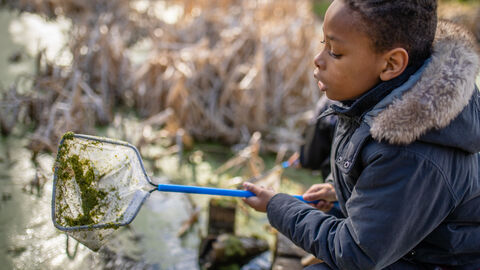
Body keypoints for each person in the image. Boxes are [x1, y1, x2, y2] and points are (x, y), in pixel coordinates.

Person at [242, 0, 480, 269]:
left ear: (391, 63)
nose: (318, 59)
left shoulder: (411, 153)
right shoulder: (373, 95)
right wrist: (336, 189)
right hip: (401, 249)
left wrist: (278, 206)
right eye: (323, 43)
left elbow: (355, 253)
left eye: (335, 52)